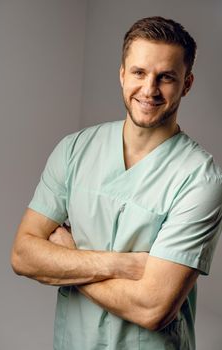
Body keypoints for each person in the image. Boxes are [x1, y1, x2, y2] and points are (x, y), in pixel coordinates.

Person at [11, 16, 222, 350]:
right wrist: (120, 264)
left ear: (187, 83)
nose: (149, 89)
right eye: (139, 72)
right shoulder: (75, 150)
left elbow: (153, 307)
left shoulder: (200, 179)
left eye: (165, 77)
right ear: (122, 74)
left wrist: (67, 259)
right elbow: (23, 255)